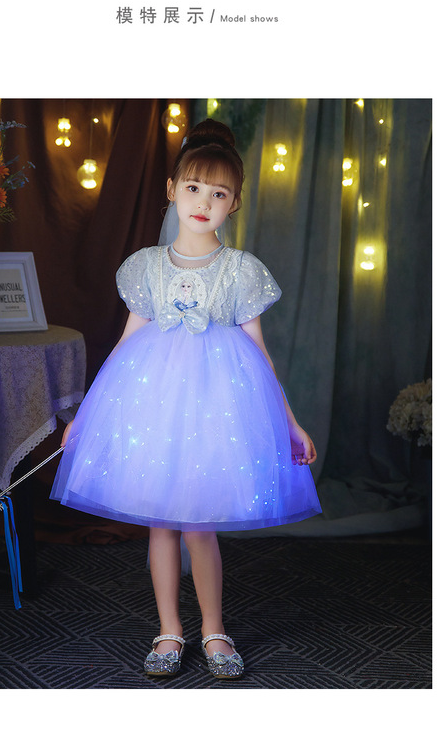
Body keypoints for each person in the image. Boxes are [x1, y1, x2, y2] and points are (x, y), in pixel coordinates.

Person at [51, 119, 321, 680]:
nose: (204, 202)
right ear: (172, 189)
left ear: (234, 203)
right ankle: (169, 629)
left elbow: (260, 355)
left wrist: (290, 422)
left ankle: (214, 629)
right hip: (154, 406)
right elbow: (125, 344)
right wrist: (87, 416)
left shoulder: (241, 271)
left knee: (200, 524)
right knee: (162, 523)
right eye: (194, 188)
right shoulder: (146, 266)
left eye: (219, 194)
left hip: (216, 410)